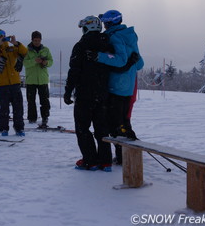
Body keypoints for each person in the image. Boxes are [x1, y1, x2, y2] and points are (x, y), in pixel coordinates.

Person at [64, 16, 115, 171]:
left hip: (85, 94)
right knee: (102, 127)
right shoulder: (108, 45)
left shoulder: (80, 46)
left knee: (82, 127)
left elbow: (74, 71)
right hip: (103, 93)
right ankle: (105, 161)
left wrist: (68, 91)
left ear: (87, 28)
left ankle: (90, 160)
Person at [94, 10, 144, 165]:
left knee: (115, 123)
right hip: (127, 88)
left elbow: (121, 60)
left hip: (116, 87)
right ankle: (127, 152)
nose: (104, 26)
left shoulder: (115, 37)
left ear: (110, 23)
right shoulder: (130, 35)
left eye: (105, 23)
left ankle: (124, 157)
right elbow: (140, 64)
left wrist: (99, 56)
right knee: (123, 120)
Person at [0, 29, 28, 136]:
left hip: (15, 83)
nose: (1, 38)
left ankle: (19, 128)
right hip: (2, 85)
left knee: (18, 109)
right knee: (4, 109)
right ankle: (4, 129)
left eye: (2, 36)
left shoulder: (12, 49)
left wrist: (16, 43)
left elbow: (24, 52)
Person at [23, 31, 54, 128]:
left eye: (38, 40)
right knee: (31, 101)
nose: (37, 42)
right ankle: (32, 118)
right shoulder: (26, 50)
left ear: (41, 40)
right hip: (31, 80)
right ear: (32, 40)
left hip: (43, 80)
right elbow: (25, 63)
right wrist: (34, 61)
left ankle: (45, 117)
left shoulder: (46, 50)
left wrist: (46, 63)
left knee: (44, 100)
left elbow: (51, 61)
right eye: (35, 40)